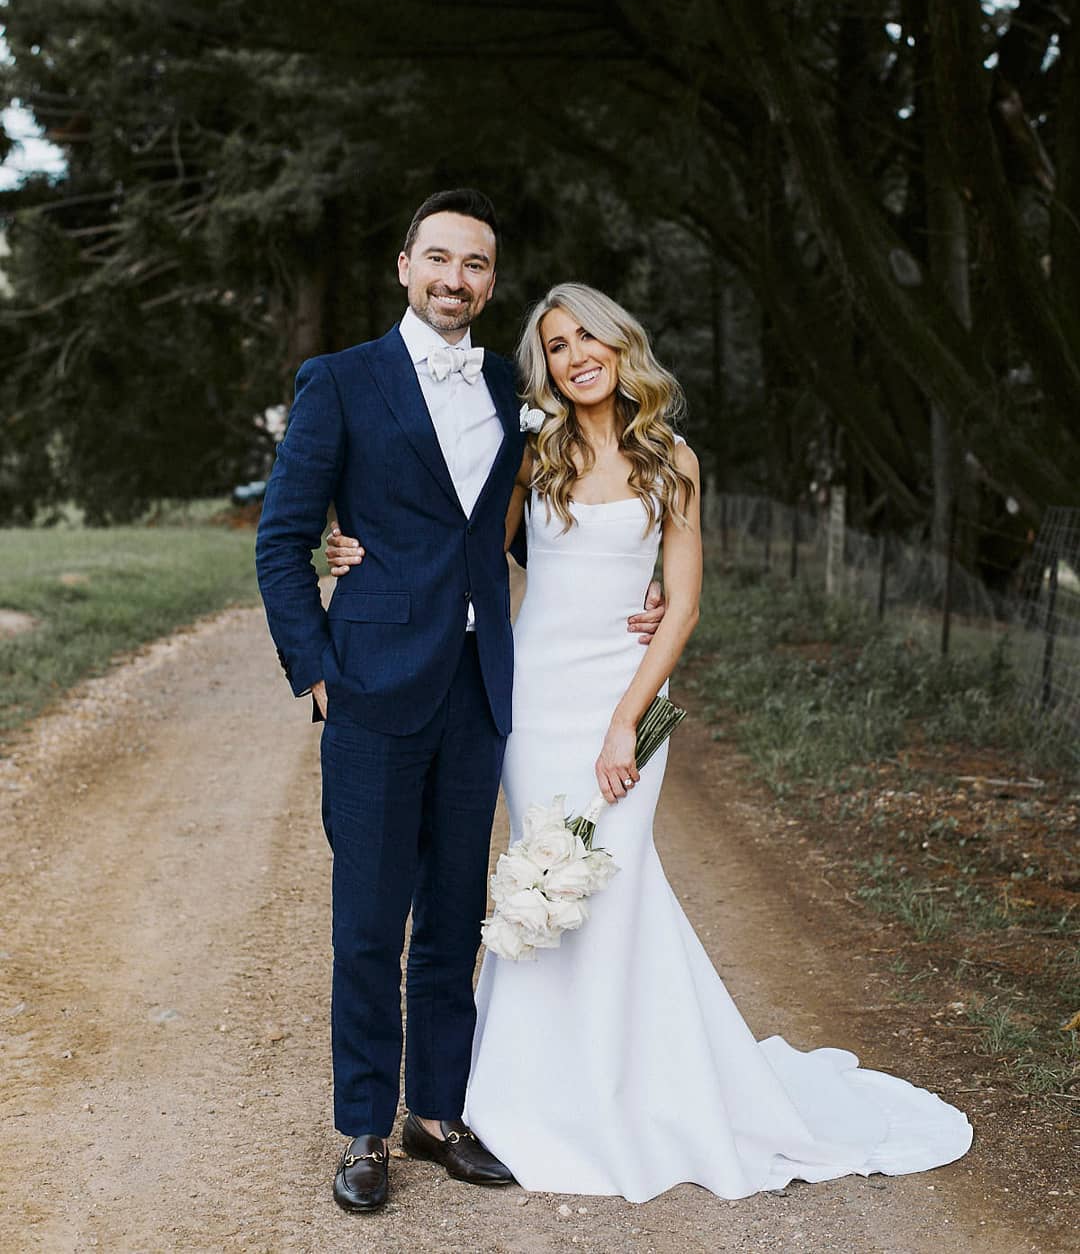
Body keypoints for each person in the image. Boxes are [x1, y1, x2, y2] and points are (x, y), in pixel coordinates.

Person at [328, 281, 973, 1203]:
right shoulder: (532, 454)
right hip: (539, 700)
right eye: (554, 345)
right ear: (543, 365)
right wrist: (348, 541)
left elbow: (686, 606)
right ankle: (517, 1098)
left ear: (623, 344)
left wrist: (631, 718)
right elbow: (457, 547)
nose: (575, 354)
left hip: (637, 700)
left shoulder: (675, 460)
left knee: (618, 884)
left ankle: (635, 1094)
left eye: (588, 335)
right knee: (539, 883)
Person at [255, 193, 664, 1214]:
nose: (455, 279)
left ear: (491, 280)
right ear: (404, 267)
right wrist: (316, 672)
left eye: (474, 265)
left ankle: (436, 1115)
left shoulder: (511, 389)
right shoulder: (340, 382)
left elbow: (523, 530)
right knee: (368, 921)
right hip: (372, 691)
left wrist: (634, 587)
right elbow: (282, 540)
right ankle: (362, 1128)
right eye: (437, 259)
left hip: (482, 694)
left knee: (451, 918)